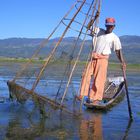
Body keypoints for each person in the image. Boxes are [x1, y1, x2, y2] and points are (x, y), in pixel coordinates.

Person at [76, 17, 126, 105]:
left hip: (103, 59)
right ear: (105, 25)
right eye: (108, 26)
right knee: (85, 75)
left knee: (99, 79)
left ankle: (95, 98)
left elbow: (118, 51)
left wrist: (122, 62)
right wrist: (94, 18)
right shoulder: (98, 31)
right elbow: (88, 27)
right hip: (93, 57)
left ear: (114, 26)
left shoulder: (115, 38)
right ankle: (82, 94)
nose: (109, 28)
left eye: (111, 26)